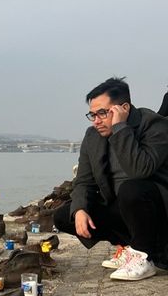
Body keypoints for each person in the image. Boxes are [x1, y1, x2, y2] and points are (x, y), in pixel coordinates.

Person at [54, 77, 168, 280]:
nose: (96, 120)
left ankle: (143, 257)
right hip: (126, 212)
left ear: (123, 108)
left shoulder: (154, 126)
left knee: (131, 189)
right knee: (65, 215)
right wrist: (80, 209)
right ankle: (128, 247)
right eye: (92, 114)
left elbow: (140, 170)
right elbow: (83, 181)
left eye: (102, 113)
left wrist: (120, 128)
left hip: (157, 213)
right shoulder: (92, 136)